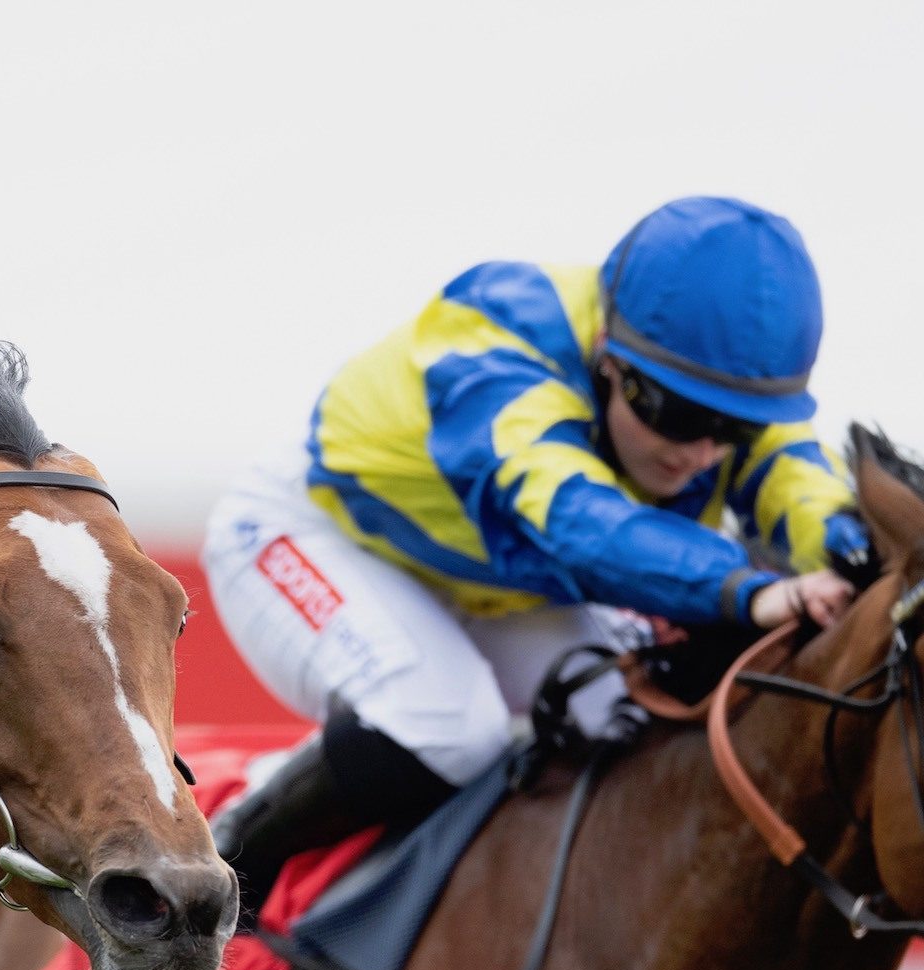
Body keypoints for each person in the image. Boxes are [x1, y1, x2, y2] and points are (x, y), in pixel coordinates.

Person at [204, 196, 871, 899]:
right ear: (610, 361)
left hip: (499, 585)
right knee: (450, 725)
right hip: (313, 531)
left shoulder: (701, 371)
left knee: (624, 719)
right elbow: (580, 522)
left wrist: (853, 551)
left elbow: (802, 481)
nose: (701, 453)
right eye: (676, 415)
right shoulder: (499, 341)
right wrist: (751, 589)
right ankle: (214, 870)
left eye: (734, 429)